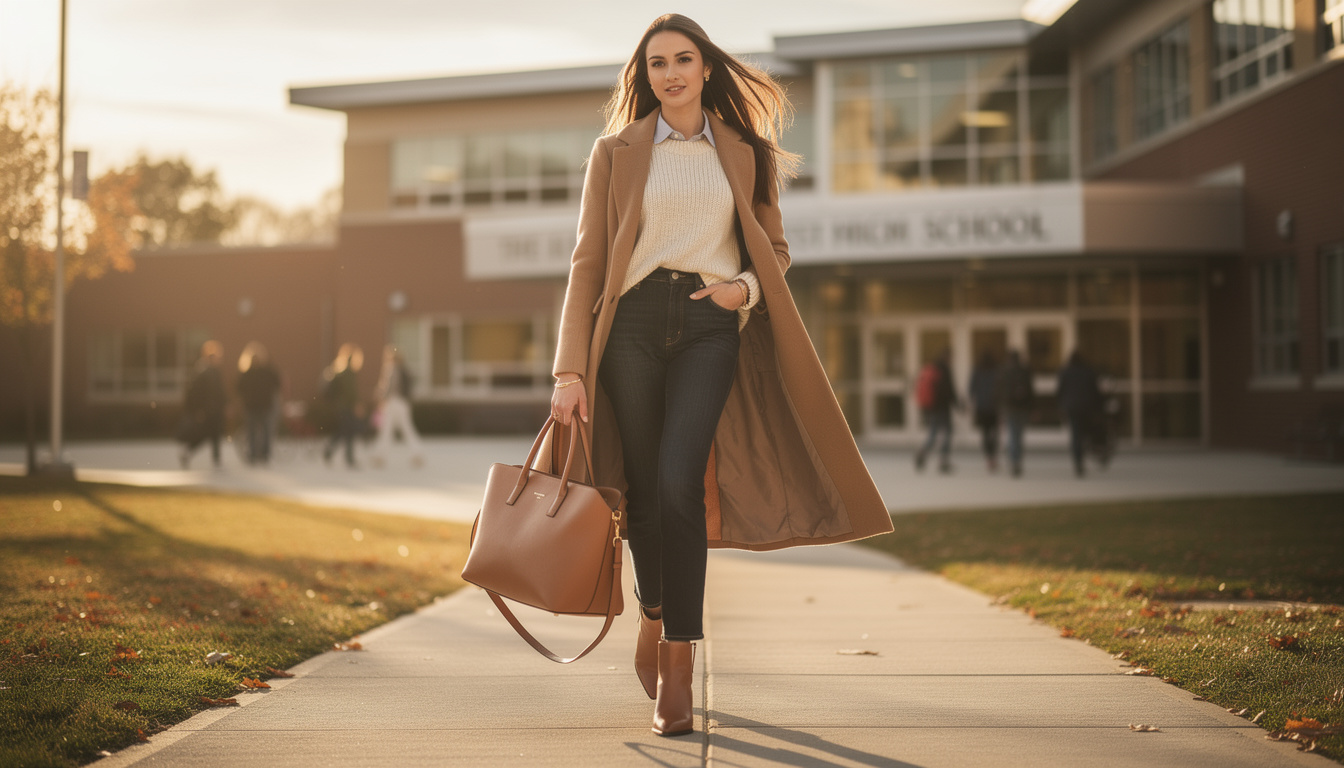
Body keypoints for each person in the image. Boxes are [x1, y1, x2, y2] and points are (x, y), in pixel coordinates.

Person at [547, 14, 892, 738]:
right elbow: (587, 261)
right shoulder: (614, 152)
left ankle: (679, 658)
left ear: (706, 68)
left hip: (709, 325)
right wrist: (568, 368)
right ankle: (652, 612)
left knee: (680, 481)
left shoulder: (744, 151)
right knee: (645, 492)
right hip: (631, 326)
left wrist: (744, 289)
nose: (670, 73)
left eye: (683, 59)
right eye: (657, 63)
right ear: (644, 76)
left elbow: (775, 249)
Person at [370, 345, 424, 468]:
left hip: (392, 403)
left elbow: (389, 387)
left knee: (386, 430)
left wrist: (381, 396)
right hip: (403, 403)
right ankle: (417, 453)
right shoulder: (404, 369)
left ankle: (380, 456)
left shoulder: (391, 368)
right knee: (407, 429)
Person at [179, 340, 226, 469]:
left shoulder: (216, 372)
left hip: (215, 409)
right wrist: (197, 410)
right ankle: (189, 451)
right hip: (206, 410)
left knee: (215, 435)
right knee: (205, 434)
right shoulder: (201, 372)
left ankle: (216, 460)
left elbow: (220, 392)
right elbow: (195, 394)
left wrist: (225, 404)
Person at [1057, 350, 1103, 478]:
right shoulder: (1088, 372)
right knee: (1083, 434)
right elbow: (1095, 391)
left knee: (1075, 434)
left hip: (1072, 408)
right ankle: (1082, 458)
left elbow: (1060, 391)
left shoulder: (1065, 372)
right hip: (1086, 407)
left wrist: (1061, 406)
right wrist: (1098, 408)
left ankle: (1078, 461)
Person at [236, 342, 282, 466]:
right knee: (252, 431)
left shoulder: (267, 371)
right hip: (252, 407)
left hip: (265, 406)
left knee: (266, 431)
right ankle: (253, 454)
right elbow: (239, 388)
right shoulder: (247, 373)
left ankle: (265, 455)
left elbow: (277, 383)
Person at [913, 349, 956, 474]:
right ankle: (943, 461)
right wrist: (957, 404)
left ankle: (922, 453)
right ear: (948, 357)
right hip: (943, 408)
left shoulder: (932, 368)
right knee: (947, 433)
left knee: (933, 433)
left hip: (932, 408)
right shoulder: (945, 370)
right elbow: (950, 389)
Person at [321, 343, 363, 469]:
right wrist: (356, 404)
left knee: (343, 431)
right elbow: (351, 392)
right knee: (348, 432)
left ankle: (329, 452)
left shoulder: (339, 370)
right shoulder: (349, 372)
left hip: (340, 406)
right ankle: (348, 458)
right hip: (347, 406)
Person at [997, 349, 1034, 478]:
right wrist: (1032, 407)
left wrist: (1000, 407)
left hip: (1010, 408)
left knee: (1013, 435)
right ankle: (1018, 460)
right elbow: (1031, 390)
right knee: (1019, 435)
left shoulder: (1004, 371)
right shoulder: (1025, 371)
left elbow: (999, 391)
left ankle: (1014, 461)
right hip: (1022, 408)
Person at [968, 350, 1000, 473]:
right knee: (994, 433)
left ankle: (989, 458)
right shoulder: (996, 371)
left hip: (982, 407)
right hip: (994, 407)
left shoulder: (977, 371)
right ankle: (993, 456)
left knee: (985, 434)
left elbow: (971, 389)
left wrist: (973, 401)